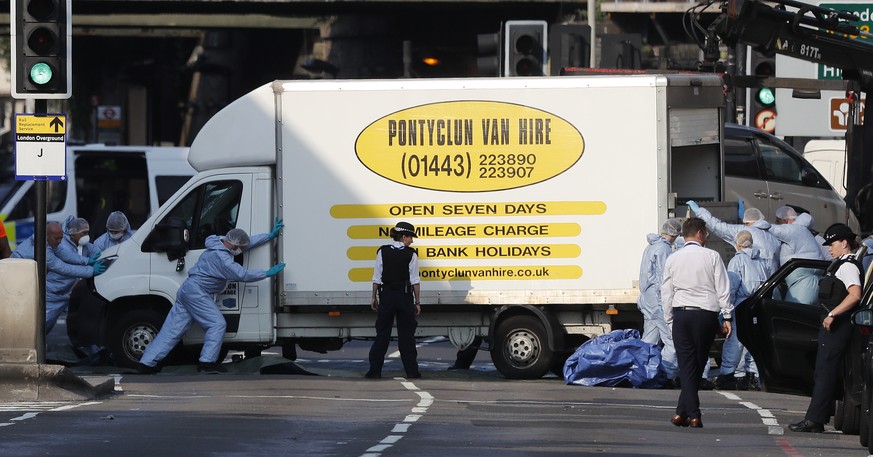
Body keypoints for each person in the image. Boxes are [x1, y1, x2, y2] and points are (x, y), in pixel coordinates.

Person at [138, 220, 285, 374]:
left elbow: (246, 242)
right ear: (234, 247)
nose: (242, 250)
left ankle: (146, 363)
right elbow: (243, 274)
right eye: (240, 249)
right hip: (197, 293)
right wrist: (267, 273)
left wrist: (268, 236)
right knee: (217, 324)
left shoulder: (218, 241)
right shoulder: (223, 260)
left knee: (171, 331)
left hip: (188, 290)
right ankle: (207, 362)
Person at [790, 223, 864, 433]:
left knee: (825, 372)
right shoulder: (839, 264)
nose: (829, 248)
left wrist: (833, 314)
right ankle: (817, 417)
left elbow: (855, 295)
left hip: (839, 326)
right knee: (824, 372)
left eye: (832, 244)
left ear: (844, 243)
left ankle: (814, 420)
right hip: (834, 325)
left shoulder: (848, 266)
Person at [662, 217, 732, 428]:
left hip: (681, 314)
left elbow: (666, 292)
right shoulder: (712, 256)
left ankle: (682, 412)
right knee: (698, 362)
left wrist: (669, 319)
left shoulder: (673, 258)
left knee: (686, 365)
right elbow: (723, 288)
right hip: (705, 315)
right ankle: (693, 414)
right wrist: (727, 316)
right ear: (701, 234)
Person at [12, 222, 107, 333]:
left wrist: (86, 261)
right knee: (29, 323)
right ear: (46, 235)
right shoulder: (42, 250)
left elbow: (62, 253)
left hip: (28, 283)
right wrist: (91, 271)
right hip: (16, 284)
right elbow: (63, 268)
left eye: (61, 238)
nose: (59, 241)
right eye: (56, 238)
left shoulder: (47, 241)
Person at [366, 221, 422, 379]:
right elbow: (415, 281)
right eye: (411, 237)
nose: (412, 240)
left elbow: (377, 278)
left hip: (387, 296)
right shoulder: (411, 254)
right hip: (404, 297)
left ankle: (374, 371)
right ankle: (412, 372)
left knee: (382, 334)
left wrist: (373, 297)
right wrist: (417, 302)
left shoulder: (382, 252)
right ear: (404, 237)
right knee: (407, 337)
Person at [714, 230, 768, 391]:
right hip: (757, 305)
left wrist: (725, 312)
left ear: (737, 244)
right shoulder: (761, 262)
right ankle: (751, 375)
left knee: (734, 341)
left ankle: (727, 375)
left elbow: (730, 288)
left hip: (740, 305)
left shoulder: (737, 261)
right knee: (753, 341)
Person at [637, 218, 682, 385]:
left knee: (649, 339)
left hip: (648, 301)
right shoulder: (663, 249)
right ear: (674, 234)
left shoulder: (651, 247)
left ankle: (643, 372)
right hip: (658, 302)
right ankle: (667, 374)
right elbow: (664, 278)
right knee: (672, 340)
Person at [687, 200, 781, 277]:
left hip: (750, 281)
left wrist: (699, 211)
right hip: (772, 283)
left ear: (747, 222)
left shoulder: (743, 230)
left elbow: (717, 226)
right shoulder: (773, 237)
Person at [767, 205, 826, 304]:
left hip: (802, 284)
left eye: (778, 221)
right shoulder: (808, 233)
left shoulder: (793, 231)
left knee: (794, 313)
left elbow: (771, 229)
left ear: (785, 221)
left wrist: (756, 224)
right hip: (807, 282)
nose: (776, 224)